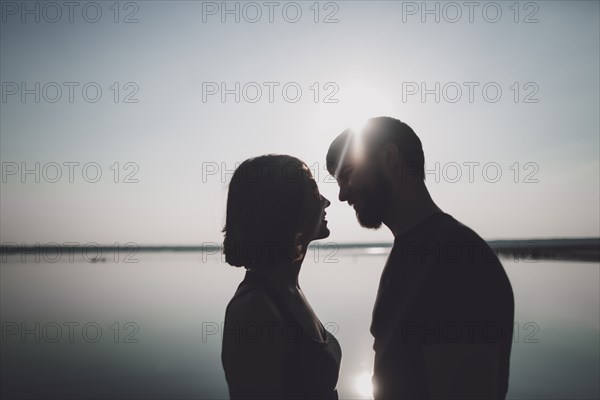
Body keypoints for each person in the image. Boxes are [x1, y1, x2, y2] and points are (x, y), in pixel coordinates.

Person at [326, 117, 515, 399]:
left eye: (348, 173)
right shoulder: (410, 250)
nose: (342, 195)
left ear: (390, 157)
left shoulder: (458, 260)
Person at [221, 154, 341, 399]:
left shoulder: (288, 289)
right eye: (314, 190)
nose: (326, 202)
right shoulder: (255, 310)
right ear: (282, 204)